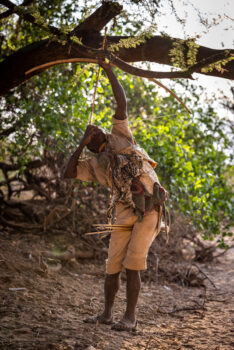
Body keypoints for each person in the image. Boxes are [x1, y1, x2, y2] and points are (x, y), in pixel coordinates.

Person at [64, 62, 167, 332]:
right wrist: (81, 144)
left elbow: (121, 103)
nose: (98, 128)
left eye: (97, 128)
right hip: (123, 210)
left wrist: (108, 68)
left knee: (133, 264)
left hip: (149, 207)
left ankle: (130, 318)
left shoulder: (119, 135)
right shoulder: (93, 163)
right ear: (90, 141)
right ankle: (107, 314)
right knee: (112, 264)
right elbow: (68, 173)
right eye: (93, 131)